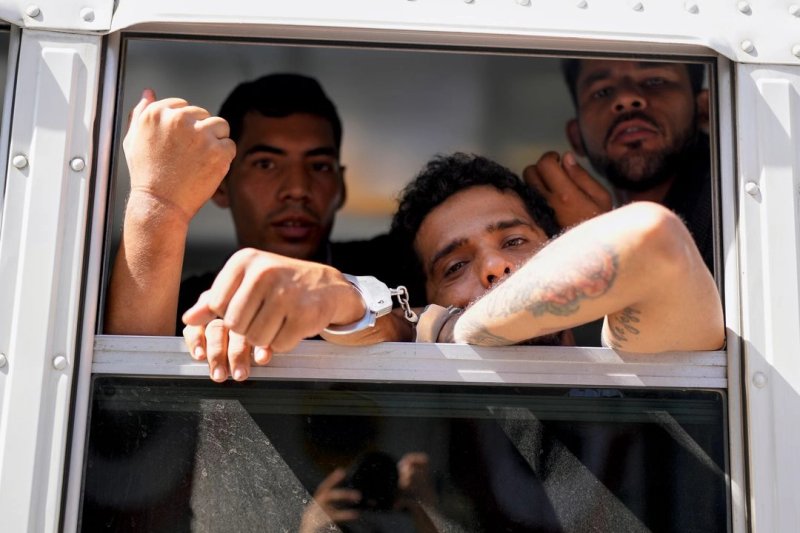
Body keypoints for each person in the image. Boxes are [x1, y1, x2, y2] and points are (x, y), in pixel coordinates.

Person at [181, 153, 724, 377]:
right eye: (456, 264)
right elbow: (390, 324)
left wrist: (462, 326)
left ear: (554, 242)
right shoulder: (429, 366)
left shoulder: (629, 342)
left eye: (514, 241)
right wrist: (340, 299)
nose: (492, 268)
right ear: (425, 292)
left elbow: (650, 237)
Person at [105, 74, 420, 381]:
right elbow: (120, 395)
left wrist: (345, 299)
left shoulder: (400, 263)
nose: (297, 188)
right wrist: (157, 201)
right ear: (220, 186)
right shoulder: (194, 303)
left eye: (319, 166)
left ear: (341, 186)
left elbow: (447, 320)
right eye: (266, 164)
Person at [523, 59, 713, 271]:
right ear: (576, 137)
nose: (625, 98)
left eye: (655, 81)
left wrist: (596, 240)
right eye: (602, 92)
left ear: (704, 109)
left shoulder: (738, 208)